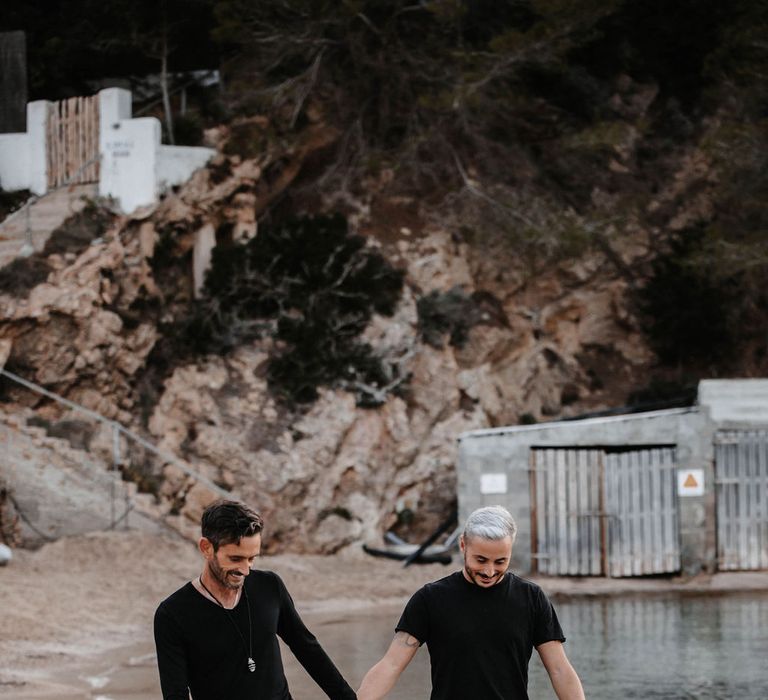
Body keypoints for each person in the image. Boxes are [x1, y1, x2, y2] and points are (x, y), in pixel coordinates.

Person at [357, 505, 585, 700]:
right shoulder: (430, 599)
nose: (489, 571)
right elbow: (391, 665)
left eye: (500, 561)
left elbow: (559, 669)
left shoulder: (531, 598)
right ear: (463, 545)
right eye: (481, 560)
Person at [154, 499, 356, 700]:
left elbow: (307, 649)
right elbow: (176, 695)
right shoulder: (172, 614)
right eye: (235, 559)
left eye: (251, 558)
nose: (245, 570)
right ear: (206, 548)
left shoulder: (270, 586)